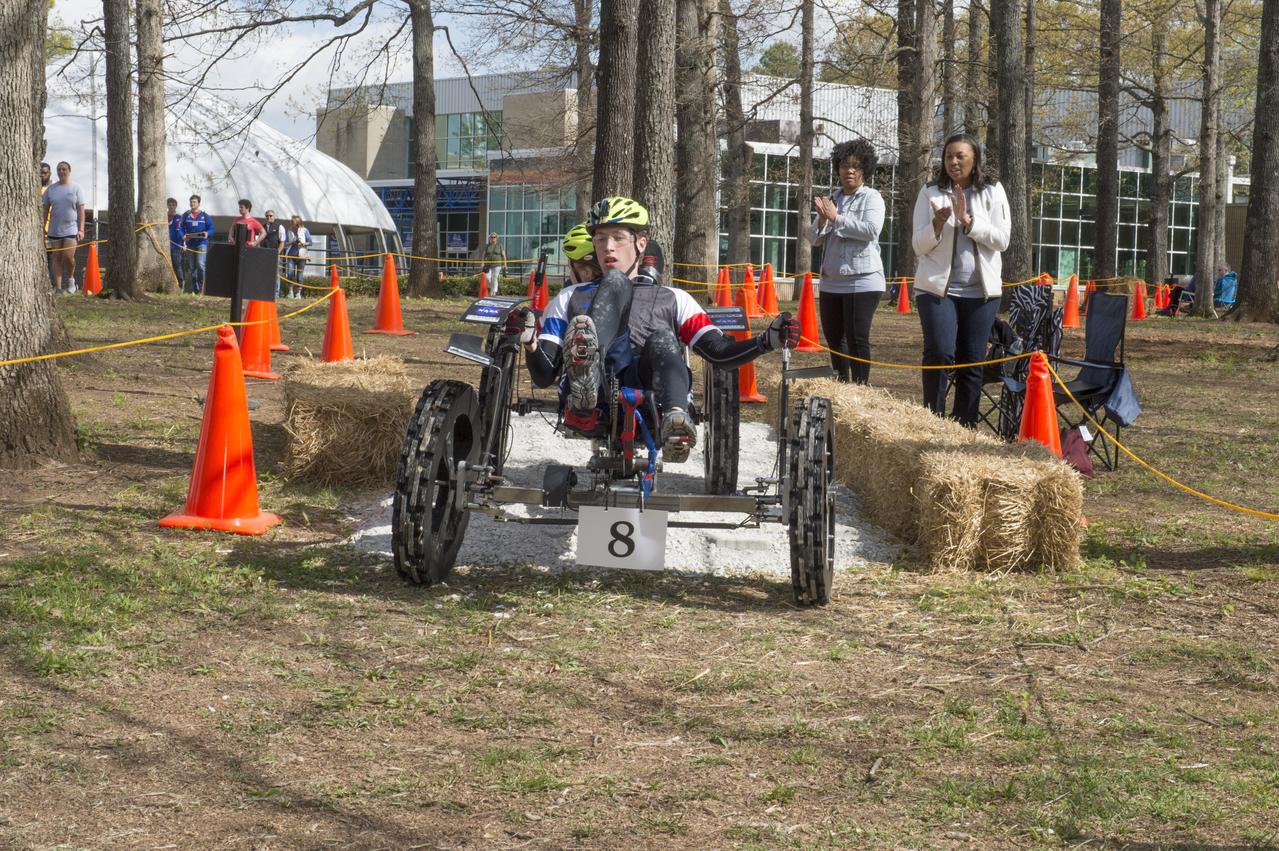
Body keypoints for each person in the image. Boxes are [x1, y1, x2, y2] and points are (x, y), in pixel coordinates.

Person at [503, 196, 799, 463]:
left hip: (653, 394)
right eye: (601, 239)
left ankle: (675, 420)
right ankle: (587, 378)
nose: (607, 247)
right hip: (596, 398)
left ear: (641, 243)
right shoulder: (570, 297)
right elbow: (544, 376)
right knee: (615, 283)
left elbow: (718, 353)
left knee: (661, 339)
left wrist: (766, 340)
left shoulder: (675, 298)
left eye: (618, 238)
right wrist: (529, 341)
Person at [911, 132, 1011, 426]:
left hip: (981, 293)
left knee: (972, 359)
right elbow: (918, 245)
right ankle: (933, 419)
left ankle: (964, 425)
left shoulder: (992, 191)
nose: (953, 162)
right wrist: (937, 224)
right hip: (936, 290)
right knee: (940, 352)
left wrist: (968, 222)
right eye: (948, 156)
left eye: (960, 156)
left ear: (975, 159)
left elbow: (1002, 239)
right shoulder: (930, 192)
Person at [805, 138, 886, 384]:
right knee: (834, 339)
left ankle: (860, 390)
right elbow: (812, 238)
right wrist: (821, 220)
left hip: (863, 280)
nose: (849, 170)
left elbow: (871, 231)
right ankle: (841, 388)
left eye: (856, 166)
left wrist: (836, 218)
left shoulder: (872, 198)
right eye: (844, 165)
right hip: (831, 281)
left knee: (857, 338)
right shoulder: (833, 198)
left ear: (865, 170)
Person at [42, 161, 86, 295]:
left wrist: (81, 229)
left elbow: (81, 210)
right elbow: (45, 210)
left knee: (68, 257)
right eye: (59, 169)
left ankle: (71, 280)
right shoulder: (51, 189)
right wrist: (42, 228)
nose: (61, 171)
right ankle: (59, 288)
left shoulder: (76, 188)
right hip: (55, 229)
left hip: (71, 229)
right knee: (56, 257)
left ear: (69, 170)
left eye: (64, 169)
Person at [181, 194, 213, 294]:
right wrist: (183, 235)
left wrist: (207, 233)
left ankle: (203, 286)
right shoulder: (186, 215)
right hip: (190, 243)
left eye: (194, 202)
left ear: (199, 203)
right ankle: (195, 289)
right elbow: (181, 228)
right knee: (192, 267)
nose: (192, 203)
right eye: (191, 202)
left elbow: (212, 228)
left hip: (202, 243)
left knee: (200, 264)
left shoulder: (204, 216)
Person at [259, 209, 287, 297]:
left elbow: (282, 241)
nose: (269, 217)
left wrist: (278, 252)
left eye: (271, 216)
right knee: (264, 273)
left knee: (275, 274)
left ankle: (275, 294)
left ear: (274, 217)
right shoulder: (262, 227)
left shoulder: (280, 227)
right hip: (264, 253)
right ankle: (265, 292)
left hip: (274, 253)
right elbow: (259, 240)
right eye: (267, 216)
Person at [284, 215, 311, 298]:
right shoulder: (289, 230)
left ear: (299, 223)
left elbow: (310, 242)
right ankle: (290, 292)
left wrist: (303, 243)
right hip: (291, 255)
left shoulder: (305, 230)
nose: (294, 225)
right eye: (292, 223)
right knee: (290, 273)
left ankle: (298, 293)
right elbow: (285, 243)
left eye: (295, 223)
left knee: (300, 274)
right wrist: (292, 242)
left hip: (302, 255)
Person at [166, 197, 185, 291]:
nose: (171, 206)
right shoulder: (163, 216)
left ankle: (181, 285)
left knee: (177, 265)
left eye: (173, 205)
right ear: (167, 206)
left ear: (176, 206)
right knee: (167, 265)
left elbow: (183, 231)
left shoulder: (179, 217)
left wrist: (184, 243)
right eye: (169, 205)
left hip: (176, 245)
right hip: (164, 245)